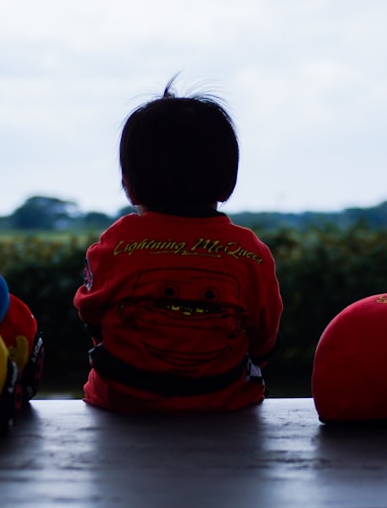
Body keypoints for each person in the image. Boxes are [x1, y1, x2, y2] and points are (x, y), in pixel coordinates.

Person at [73, 80, 283, 413]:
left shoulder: (118, 242)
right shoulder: (249, 252)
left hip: (121, 404)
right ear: (228, 182)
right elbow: (264, 337)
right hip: (224, 405)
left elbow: (90, 313)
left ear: (129, 186)